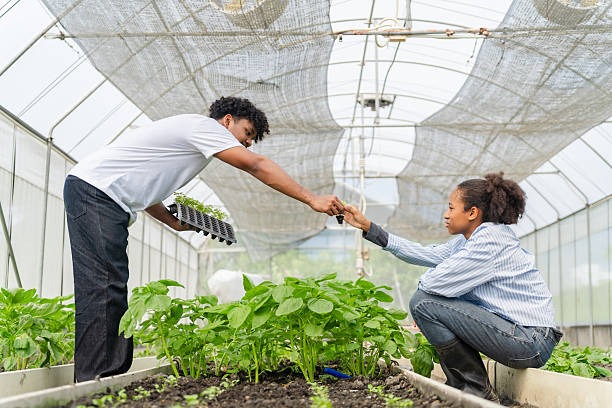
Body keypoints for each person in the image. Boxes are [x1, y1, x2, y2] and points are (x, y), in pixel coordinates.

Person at [63, 96, 344, 382]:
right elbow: (256, 165)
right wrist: (312, 198)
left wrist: (172, 220)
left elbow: (147, 188)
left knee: (110, 282)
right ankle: (93, 379)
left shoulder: (193, 142)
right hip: (95, 192)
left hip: (102, 196)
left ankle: (103, 375)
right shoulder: (204, 128)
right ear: (227, 120)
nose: (248, 143)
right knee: (104, 284)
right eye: (248, 134)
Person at [342, 172, 562, 401]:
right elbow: (425, 253)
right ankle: (461, 386)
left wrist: (428, 306)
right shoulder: (470, 240)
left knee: (424, 302)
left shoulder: (489, 242)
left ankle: (476, 390)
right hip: (522, 335)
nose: (446, 215)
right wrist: (369, 228)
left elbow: (433, 284)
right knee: (426, 302)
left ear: (472, 213)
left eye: (451, 208)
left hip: (530, 340)